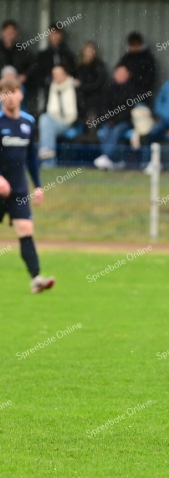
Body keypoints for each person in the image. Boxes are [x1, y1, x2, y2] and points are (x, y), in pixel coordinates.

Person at [0, 76, 56, 293]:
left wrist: (38, 186)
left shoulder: (28, 122)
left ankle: (36, 279)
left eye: (13, 92)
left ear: (20, 94)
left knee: (25, 229)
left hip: (19, 189)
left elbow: (32, 158)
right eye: (5, 93)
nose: (9, 97)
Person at [93, 64, 137, 170]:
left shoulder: (132, 90)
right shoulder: (108, 88)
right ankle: (111, 160)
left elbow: (128, 110)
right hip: (109, 121)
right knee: (104, 131)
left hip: (124, 122)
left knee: (116, 131)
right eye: (119, 73)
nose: (120, 75)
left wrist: (115, 120)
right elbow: (103, 106)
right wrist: (109, 119)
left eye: (123, 73)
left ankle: (106, 157)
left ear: (128, 75)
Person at [29, 23, 75, 114]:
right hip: (48, 88)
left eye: (58, 34)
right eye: (53, 34)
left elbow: (73, 70)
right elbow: (37, 73)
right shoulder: (42, 55)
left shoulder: (68, 54)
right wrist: (48, 81)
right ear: (49, 35)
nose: (55, 37)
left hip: (66, 87)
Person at [37, 65, 77, 167]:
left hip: (70, 122)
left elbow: (81, 107)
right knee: (45, 120)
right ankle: (48, 159)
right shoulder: (50, 87)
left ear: (66, 74)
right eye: (54, 74)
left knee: (45, 122)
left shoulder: (75, 86)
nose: (56, 76)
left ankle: (47, 158)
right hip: (52, 120)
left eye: (59, 74)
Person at [74, 41, 107, 129]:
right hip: (79, 101)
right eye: (87, 50)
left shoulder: (99, 66)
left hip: (94, 103)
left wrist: (82, 86)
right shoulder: (78, 66)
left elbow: (98, 83)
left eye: (92, 51)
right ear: (83, 51)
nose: (89, 53)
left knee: (92, 125)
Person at [117, 32, 157, 103]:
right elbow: (118, 73)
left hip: (141, 95)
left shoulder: (148, 59)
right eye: (132, 45)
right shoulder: (126, 57)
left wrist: (132, 77)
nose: (134, 47)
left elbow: (150, 79)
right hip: (124, 94)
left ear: (140, 44)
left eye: (136, 44)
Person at [0, 20, 32, 86]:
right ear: (2, 32)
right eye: (7, 32)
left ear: (16, 33)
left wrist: (25, 75)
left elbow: (33, 64)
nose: (9, 35)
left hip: (18, 85)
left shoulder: (22, 49)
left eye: (12, 33)